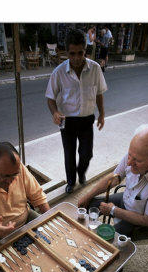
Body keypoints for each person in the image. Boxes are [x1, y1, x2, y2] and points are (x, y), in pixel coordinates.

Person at [78, 124, 148, 240]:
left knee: (108, 240)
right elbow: (113, 178)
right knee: (89, 205)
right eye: (129, 155)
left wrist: (113, 210)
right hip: (129, 200)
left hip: (145, 221)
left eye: (137, 160)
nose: (129, 163)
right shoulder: (137, 153)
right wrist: (88, 196)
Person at [45, 28, 107, 194]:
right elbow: (50, 98)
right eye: (72, 54)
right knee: (69, 154)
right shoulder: (58, 73)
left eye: (80, 53)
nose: (77, 58)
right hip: (67, 121)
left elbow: (99, 93)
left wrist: (102, 114)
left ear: (85, 51)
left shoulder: (95, 69)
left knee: (87, 154)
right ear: (67, 52)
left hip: (87, 119)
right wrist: (55, 113)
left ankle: (81, 173)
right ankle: (71, 181)